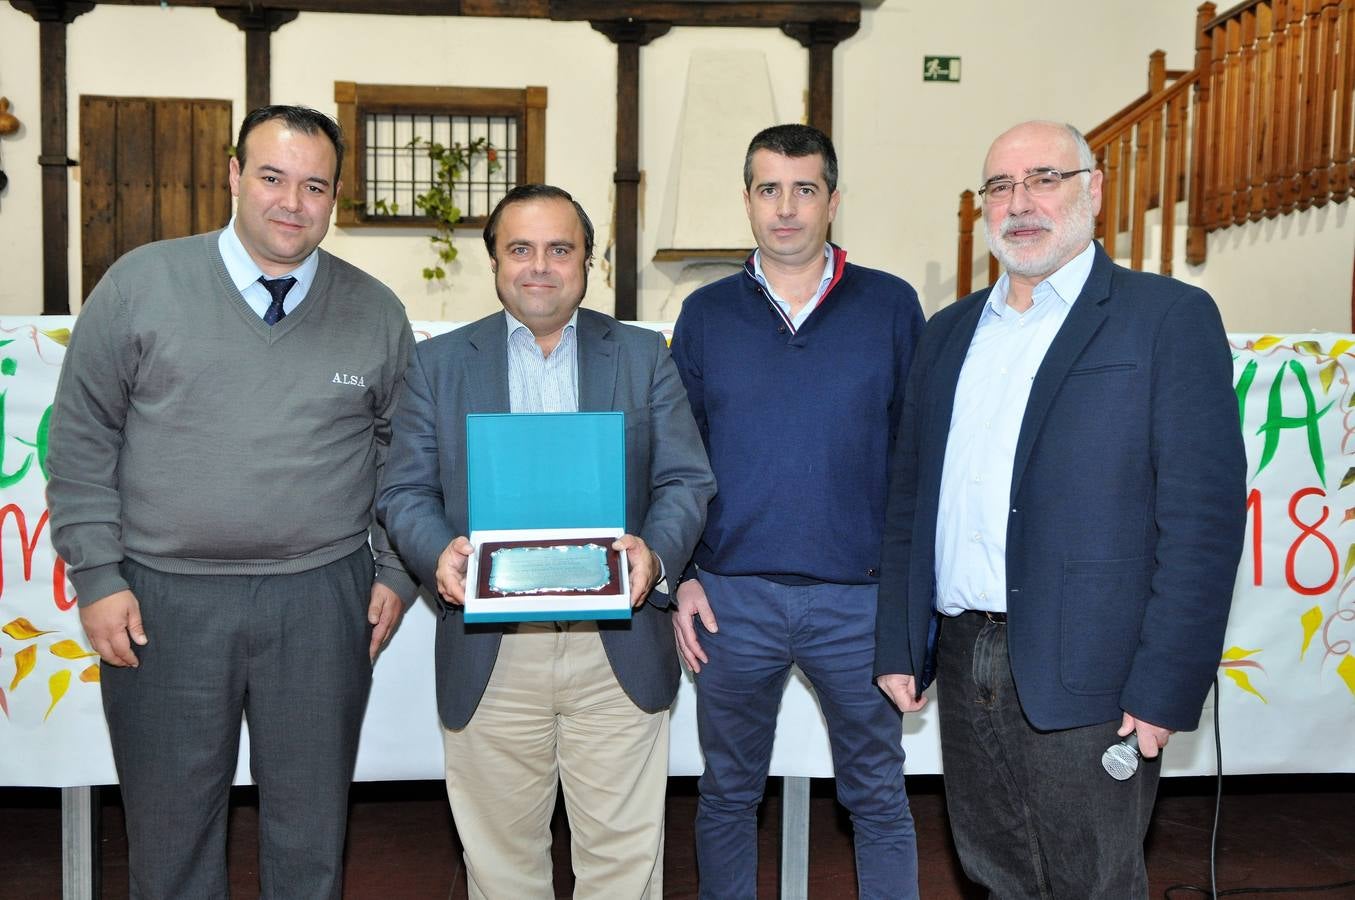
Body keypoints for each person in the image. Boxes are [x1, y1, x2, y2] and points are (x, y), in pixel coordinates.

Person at [46, 105, 416, 899]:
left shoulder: (376, 311)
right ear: (232, 176)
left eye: (314, 185)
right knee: (170, 829)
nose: (291, 201)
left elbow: (405, 458)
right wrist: (100, 577)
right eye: (272, 177)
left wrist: (394, 571)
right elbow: (81, 440)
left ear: (335, 197)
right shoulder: (139, 285)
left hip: (322, 599)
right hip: (161, 602)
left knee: (311, 831)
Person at [874, 120, 1247, 898]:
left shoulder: (1165, 318)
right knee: (995, 873)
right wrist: (899, 640)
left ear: (1093, 188)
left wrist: (1164, 687)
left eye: (1043, 178)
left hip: (1094, 673)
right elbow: (911, 499)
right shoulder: (946, 335)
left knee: (1091, 882)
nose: (1020, 203)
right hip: (964, 654)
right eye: (1000, 187)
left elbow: (1202, 523)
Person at [377, 183, 715, 899]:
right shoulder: (437, 367)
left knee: (624, 869)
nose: (540, 266)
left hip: (614, 650)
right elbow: (403, 492)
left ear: (587, 261)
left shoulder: (641, 354)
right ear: (494, 261)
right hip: (490, 654)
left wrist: (652, 555)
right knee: (501, 871)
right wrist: (436, 551)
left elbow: (685, 481)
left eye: (560, 249)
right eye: (520, 249)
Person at [669, 124, 925, 899]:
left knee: (876, 795)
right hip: (731, 600)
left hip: (858, 600)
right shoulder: (706, 312)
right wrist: (680, 575)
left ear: (833, 200)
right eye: (769, 189)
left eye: (804, 189)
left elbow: (917, 460)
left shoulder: (889, 305)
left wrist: (908, 609)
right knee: (726, 794)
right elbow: (678, 456)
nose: (786, 208)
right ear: (746, 200)